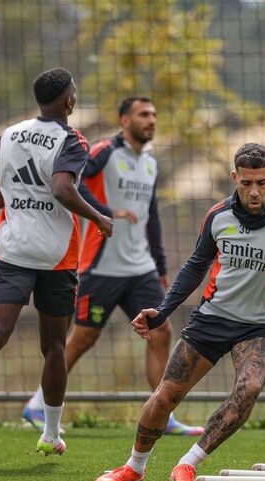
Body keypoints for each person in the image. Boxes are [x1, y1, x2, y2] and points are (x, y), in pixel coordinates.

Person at [95, 143, 265, 481]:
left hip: (262, 326)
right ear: (234, 177)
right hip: (212, 319)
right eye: (246, 182)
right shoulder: (218, 216)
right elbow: (194, 267)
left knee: (248, 389)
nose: (254, 191)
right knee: (165, 396)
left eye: (261, 183)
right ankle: (134, 467)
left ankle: (187, 464)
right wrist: (162, 311)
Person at [0, 68, 114, 456]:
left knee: (0, 328)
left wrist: (23, 207)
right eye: (74, 92)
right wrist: (98, 217)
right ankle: (51, 434)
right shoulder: (72, 139)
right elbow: (61, 187)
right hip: (55, 254)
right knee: (55, 346)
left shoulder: (9, 135)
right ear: (68, 100)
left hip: (13, 248)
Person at [22, 97, 203, 436]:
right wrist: (105, 211)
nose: (151, 120)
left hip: (141, 269)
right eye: (143, 114)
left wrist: (161, 265)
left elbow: (151, 219)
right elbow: (70, 184)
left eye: (154, 114)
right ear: (124, 120)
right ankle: (36, 404)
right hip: (101, 266)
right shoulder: (105, 150)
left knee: (161, 331)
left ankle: (162, 415)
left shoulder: (150, 162)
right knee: (82, 338)